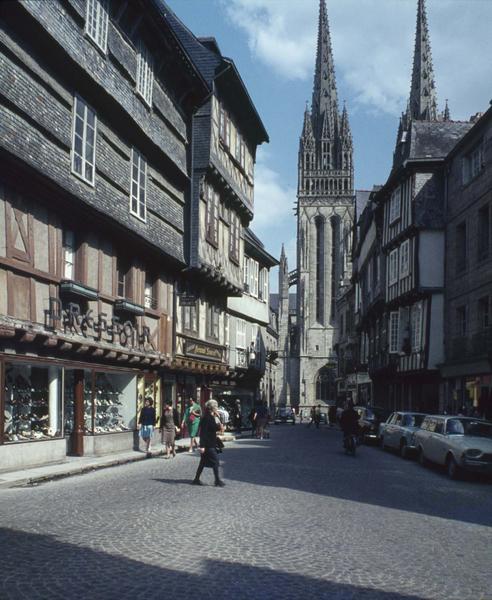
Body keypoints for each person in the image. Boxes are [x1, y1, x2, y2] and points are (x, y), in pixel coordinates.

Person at [192, 399, 225, 487]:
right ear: (212, 408)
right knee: (216, 461)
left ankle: (196, 479)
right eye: (216, 407)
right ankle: (217, 480)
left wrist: (219, 418)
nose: (217, 408)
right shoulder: (206, 418)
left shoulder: (211, 417)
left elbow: (214, 428)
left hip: (210, 442)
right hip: (208, 444)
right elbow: (203, 432)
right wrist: (202, 446)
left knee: (202, 462)